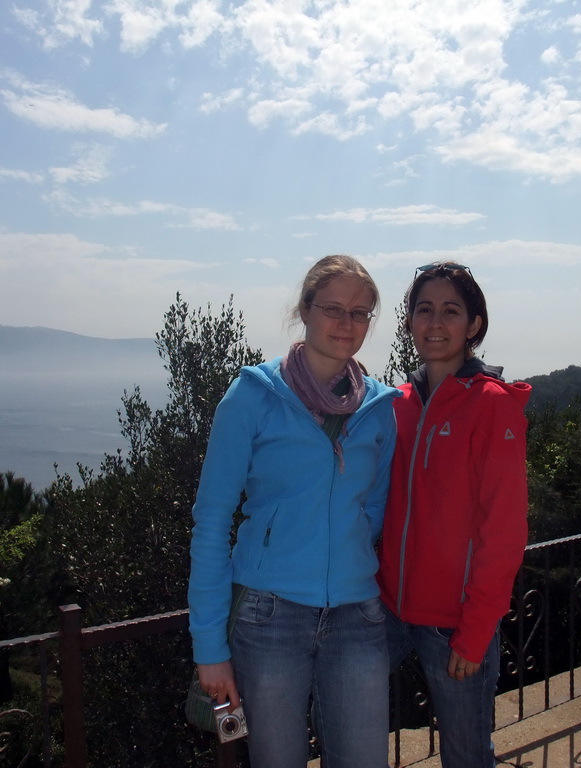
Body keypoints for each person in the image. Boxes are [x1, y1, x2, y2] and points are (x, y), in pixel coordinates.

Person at [188, 255, 400, 768]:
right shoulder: (253, 396)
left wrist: (343, 557)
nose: (346, 324)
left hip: (357, 616)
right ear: (304, 310)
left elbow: (373, 508)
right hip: (269, 617)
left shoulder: (378, 408)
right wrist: (210, 647)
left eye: (360, 313)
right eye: (333, 308)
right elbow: (212, 523)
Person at [377, 261, 530, 768]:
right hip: (387, 612)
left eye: (450, 310)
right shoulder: (396, 403)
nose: (435, 323)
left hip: (454, 625)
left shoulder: (492, 405)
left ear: (474, 325)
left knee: (466, 756)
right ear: (410, 322)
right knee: (339, 721)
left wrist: (476, 629)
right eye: (424, 310)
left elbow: (504, 531)